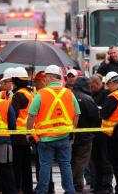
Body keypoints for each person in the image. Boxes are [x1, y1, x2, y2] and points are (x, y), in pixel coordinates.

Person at [26, 65, 81, 194]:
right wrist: (72, 131)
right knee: (65, 165)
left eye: (45, 77)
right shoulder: (68, 93)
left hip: (46, 138)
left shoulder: (41, 94)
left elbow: (31, 116)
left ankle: (42, 190)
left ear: (50, 77)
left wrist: (28, 132)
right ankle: (70, 190)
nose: (44, 80)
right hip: (64, 136)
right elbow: (77, 113)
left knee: (45, 165)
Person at [92, 71, 118, 193]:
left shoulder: (114, 97)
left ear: (112, 83)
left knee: (114, 164)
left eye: (108, 86)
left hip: (113, 136)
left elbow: (104, 115)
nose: (108, 89)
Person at [72, 77, 100, 192]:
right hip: (86, 136)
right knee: (81, 162)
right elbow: (95, 118)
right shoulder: (88, 99)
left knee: (70, 162)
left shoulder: (68, 96)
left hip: (70, 135)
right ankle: (77, 186)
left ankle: (70, 185)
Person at [11, 67, 34, 194]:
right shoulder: (30, 94)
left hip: (18, 136)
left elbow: (12, 115)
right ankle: (27, 189)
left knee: (17, 167)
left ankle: (17, 189)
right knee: (27, 167)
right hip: (28, 135)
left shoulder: (18, 95)